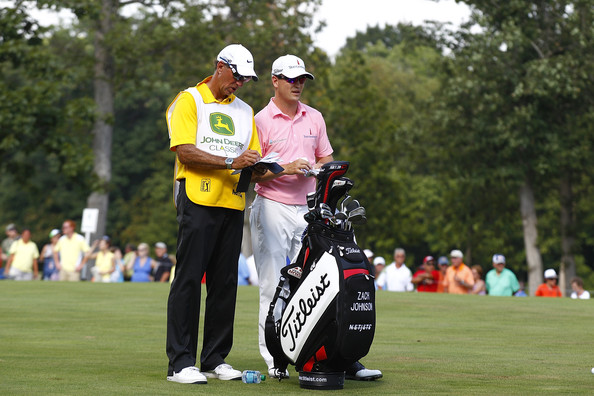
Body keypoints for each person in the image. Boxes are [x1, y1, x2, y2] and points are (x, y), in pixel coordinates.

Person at [250, 54, 380, 381]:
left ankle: (336, 355)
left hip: (312, 210)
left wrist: (322, 170)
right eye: (291, 79)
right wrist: (286, 168)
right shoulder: (260, 120)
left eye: (302, 79)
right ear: (275, 81)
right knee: (274, 285)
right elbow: (251, 173)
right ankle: (276, 359)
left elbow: (326, 156)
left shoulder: (314, 117)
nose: (298, 85)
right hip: (272, 207)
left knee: (325, 283)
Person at [165, 43, 264, 385]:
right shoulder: (189, 100)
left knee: (225, 285)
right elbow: (185, 150)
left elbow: (253, 155)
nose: (239, 83)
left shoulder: (245, 110)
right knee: (189, 280)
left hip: (233, 203)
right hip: (198, 200)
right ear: (220, 66)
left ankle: (214, 358)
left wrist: (273, 167)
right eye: (236, 75)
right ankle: (180, 363)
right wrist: (229, 161)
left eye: (245, 79)